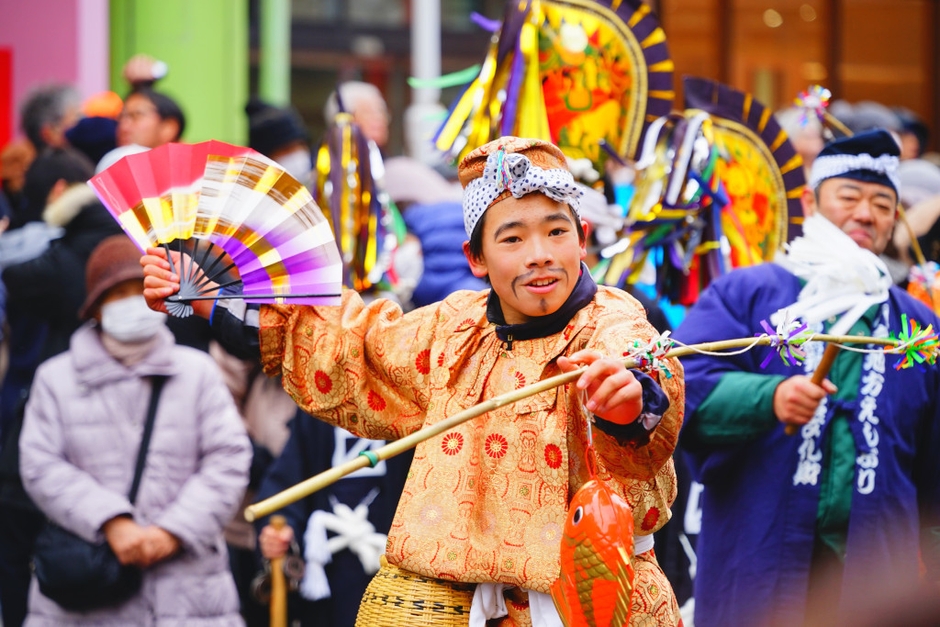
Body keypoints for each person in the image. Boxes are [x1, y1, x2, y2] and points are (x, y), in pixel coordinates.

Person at [142, 136, 685, 625]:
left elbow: (638, 366)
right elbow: (349, 348)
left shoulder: (613, 318)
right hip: (464, 609)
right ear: (477, 257)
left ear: (583, 238)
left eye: (556, 231)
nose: (540, 254)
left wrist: (630, 402)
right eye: (513, 238)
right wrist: (214, 301)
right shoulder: (451, 330)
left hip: (599, 603)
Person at [674, 130, 940, 626]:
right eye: (850, 196)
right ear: (810, 201)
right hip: (758, 566)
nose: (866, 213)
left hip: (876, 584)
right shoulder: (748, 292)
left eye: (883, 203)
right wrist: (767, 397)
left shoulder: (918, 327)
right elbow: (679, 388)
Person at [18, 234, 251, 626]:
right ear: (95, 307)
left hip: (189, 591)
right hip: (89, 592)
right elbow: (40, 464)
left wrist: (173, 530)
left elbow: (229, 457)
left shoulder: (197, 372)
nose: (131, 302)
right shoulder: (55, 379)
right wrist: (111, 521)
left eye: (139, 290)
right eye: (117, 293)